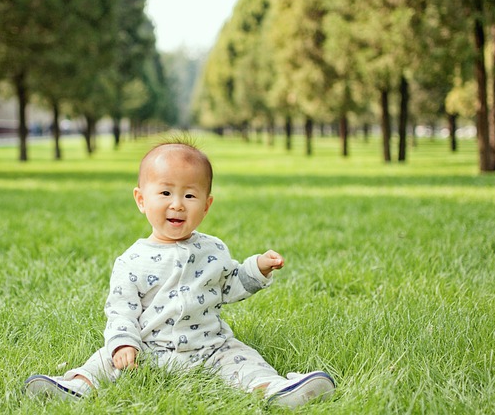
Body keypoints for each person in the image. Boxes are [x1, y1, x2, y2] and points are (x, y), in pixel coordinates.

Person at [25, 140, 335, 408]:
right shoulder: (132, 260)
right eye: (165, 193)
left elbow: (230, 285)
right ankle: (78, 385)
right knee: (105, 360)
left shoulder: (213, 249)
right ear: (141, 200)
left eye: (189, 196)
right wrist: (123, 344)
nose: (177, 205)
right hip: (149, 348)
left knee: (244, 360)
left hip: (211, 346)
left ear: (206, 206)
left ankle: (274, 389)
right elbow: (121, 310)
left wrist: (258, 267)